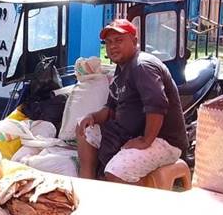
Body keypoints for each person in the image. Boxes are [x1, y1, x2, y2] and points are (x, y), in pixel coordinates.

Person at [75, 19, 188, 183]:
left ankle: (141, 201)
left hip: (163, 140)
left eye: (119, 40)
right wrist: (92, 117)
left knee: (116, 171)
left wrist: (146, 140)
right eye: (109, 42)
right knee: (83, 128)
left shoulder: (142, 66)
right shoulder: (121, 68)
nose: (113, 46)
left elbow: (157, 106)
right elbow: (110, 108)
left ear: (134, 41)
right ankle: (88, 185)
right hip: (131, 132)